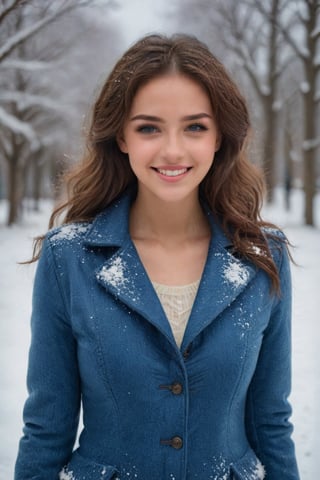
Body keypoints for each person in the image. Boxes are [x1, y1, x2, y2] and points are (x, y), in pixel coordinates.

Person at [15, 34, 300, 480]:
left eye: (195, 127)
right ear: (122, 137)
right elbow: (46, 430)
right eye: (149, 127)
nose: (172, 150)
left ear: (220, 136)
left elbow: (270, 424)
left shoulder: (264, 258)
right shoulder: (67, 258)